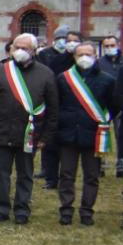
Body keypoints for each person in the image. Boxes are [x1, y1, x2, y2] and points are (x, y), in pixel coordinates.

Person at [0, 33, 58, 225]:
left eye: (24, 48)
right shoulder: (1, 71)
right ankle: (1, 209)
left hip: (30, 134)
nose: (20, 51)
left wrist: (45, 137)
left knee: (25, 174)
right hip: (2, 132)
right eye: (16, 47)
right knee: (1, 173)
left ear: (34, 50)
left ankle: (22, 210)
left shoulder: (46, 74)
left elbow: (53, 109)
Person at [54, 41, 115, 226]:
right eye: (80, 54)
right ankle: (66, 210)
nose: (84, 58)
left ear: (95, 56)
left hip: (93, 135)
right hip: (68, 134)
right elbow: (56, 104)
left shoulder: (107, 80)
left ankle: (87, 211)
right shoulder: (63, 78)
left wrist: (104, 121)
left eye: (88, 54)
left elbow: (113, 106)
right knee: (66, 174)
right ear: (74, 57)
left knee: (91, 176)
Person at [38, 27, 79, 189]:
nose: (68, 43)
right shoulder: (56, 60)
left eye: (73, 41)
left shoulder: (81, 60)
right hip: (55, 105)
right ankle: (51, 178)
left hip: (74, 107)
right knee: (51, 145)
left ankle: (66, 178)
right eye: (66, 40)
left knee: (68, 148)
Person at [101, 33, 123, 179]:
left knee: (121, 136)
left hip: (121, 105)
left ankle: (121, 165)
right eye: (106, 46)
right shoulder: (99, 63)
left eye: (112, 45)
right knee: (102, 135)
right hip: (104, 105)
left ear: (118, 45)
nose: (109, 48)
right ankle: (100, 165)